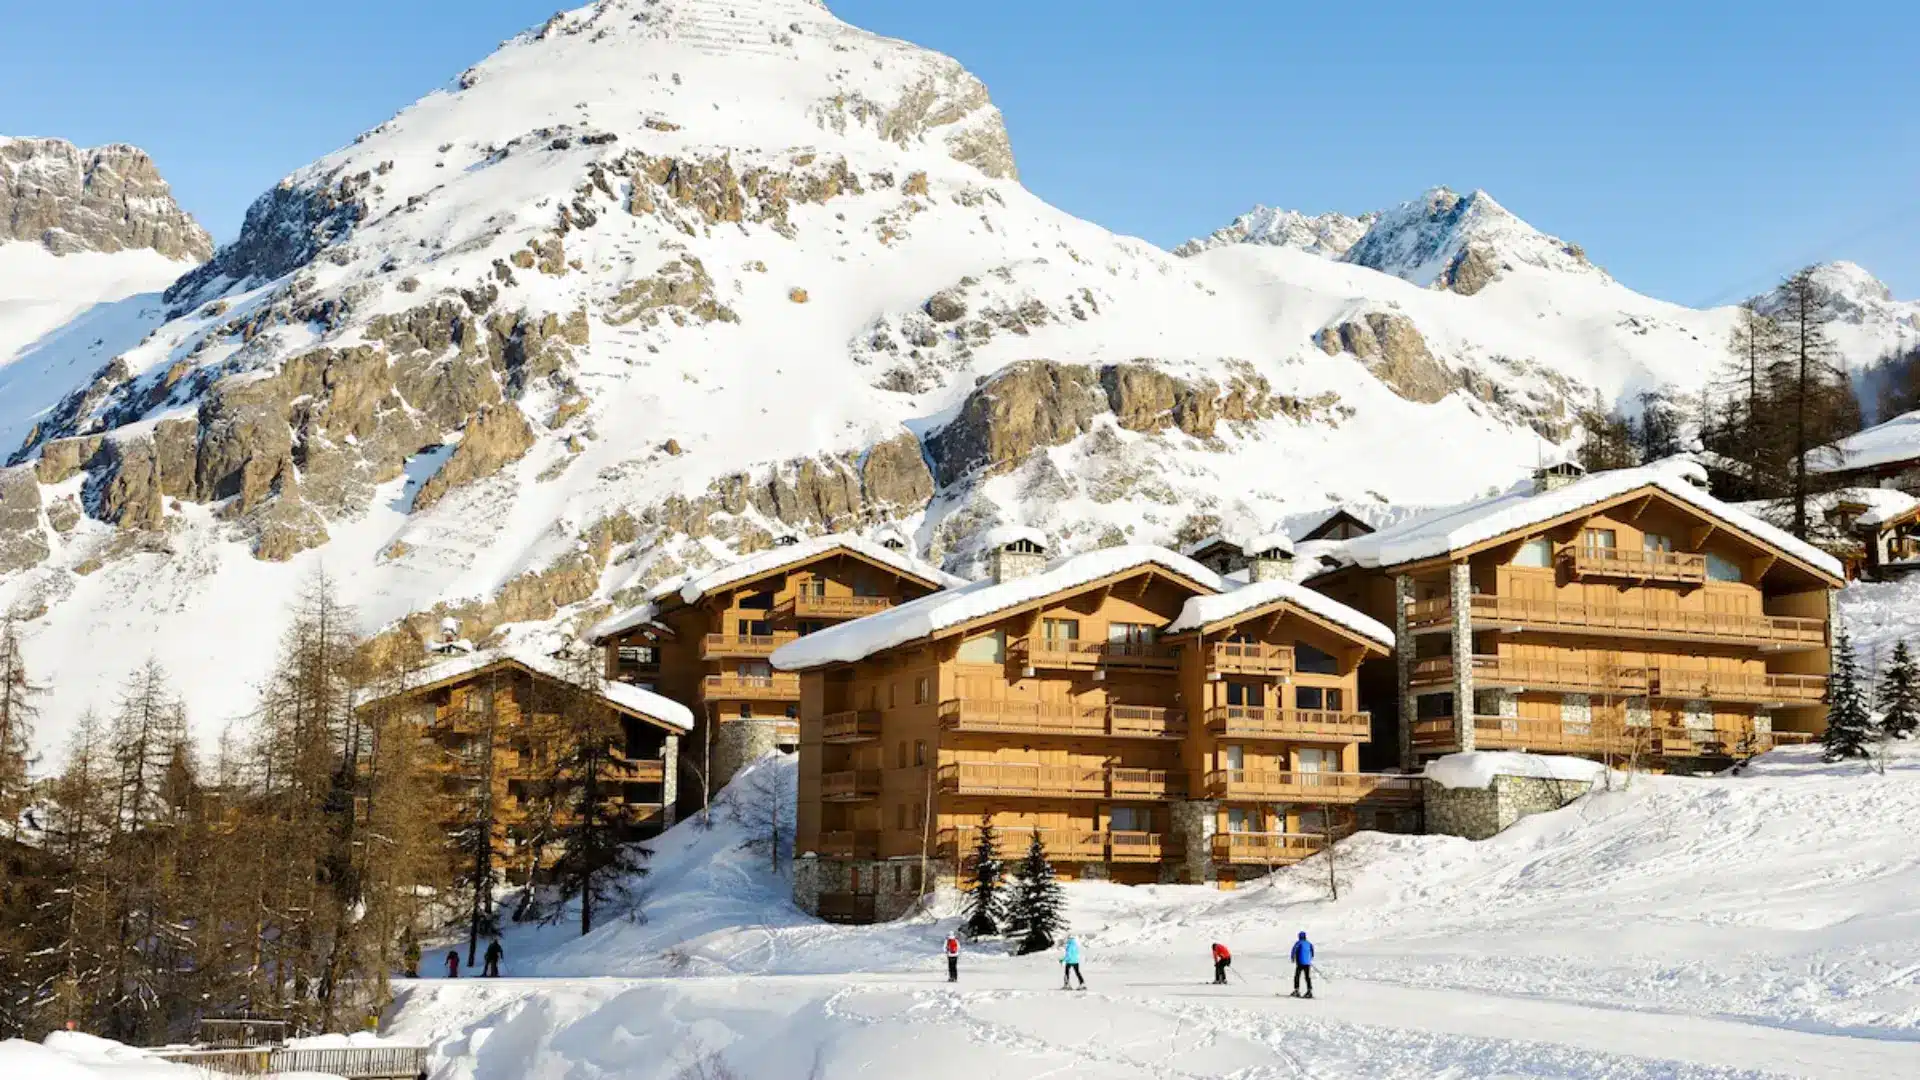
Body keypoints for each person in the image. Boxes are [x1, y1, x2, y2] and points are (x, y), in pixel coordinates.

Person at [1289, 931, 1315, 998]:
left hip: (1300, 963)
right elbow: (1312, 952)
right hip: (1307, 963)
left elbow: (1293, 950)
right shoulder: (1309, 943)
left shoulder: (1298, 943)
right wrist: (1309, 959)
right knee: (1307, 977)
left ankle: (1296, 990)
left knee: (1297, 976)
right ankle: (1309, 991)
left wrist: (1292, 957)